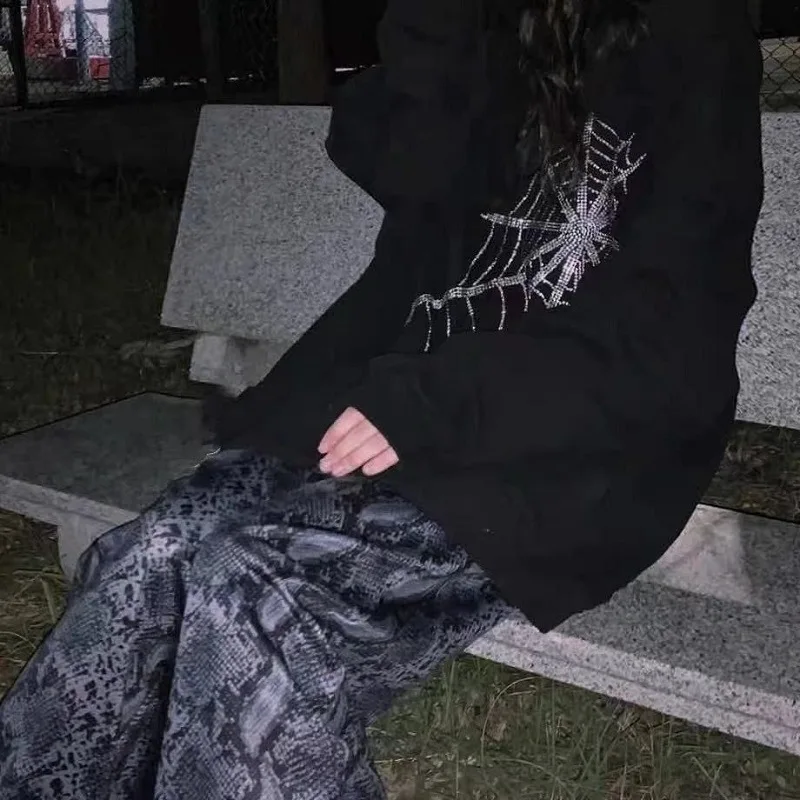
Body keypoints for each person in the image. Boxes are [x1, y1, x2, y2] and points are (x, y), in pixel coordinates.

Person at [0, 0, 764, 797]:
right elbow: (411, 173)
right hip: (387, 402)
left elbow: (672, 330)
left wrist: (438, 401)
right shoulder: (491, 34)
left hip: (560, 440)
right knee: (154, 552)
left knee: (248, 587)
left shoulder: (691, 37)